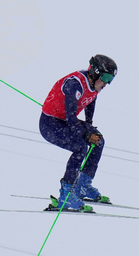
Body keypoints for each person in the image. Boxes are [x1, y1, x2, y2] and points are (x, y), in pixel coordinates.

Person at [39, 55, 117, 210]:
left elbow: (91, 99)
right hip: (50, 123)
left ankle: (82, 186)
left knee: (98, 141)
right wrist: (86, 134)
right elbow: (70, 118)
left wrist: (89, 125)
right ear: (95, 72)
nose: (107, 83)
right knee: (80, 147)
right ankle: (66, 196)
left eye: (111, 79)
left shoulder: (94, 84)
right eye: (106, 77)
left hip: (65, 120)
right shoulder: (75, 85)